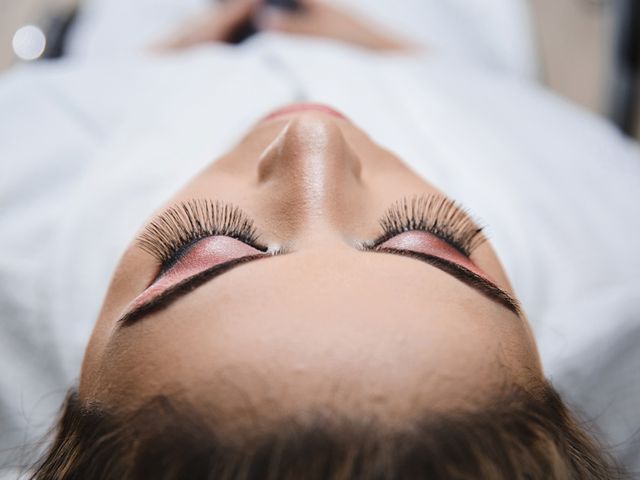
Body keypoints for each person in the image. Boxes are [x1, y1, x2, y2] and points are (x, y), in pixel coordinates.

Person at [0, 0, 637, 478]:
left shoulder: (18, 176)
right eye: (427, 239)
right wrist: (409, 57)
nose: (314, 136)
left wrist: (142, 66)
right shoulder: (612, 220)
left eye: (201, 246)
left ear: (72, 409)